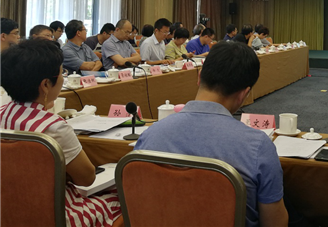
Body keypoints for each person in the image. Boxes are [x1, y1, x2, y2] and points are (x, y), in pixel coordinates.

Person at [134, 41, 288, 227]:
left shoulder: (150, 135)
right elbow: (274, 223)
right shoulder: (258, 146)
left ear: (199, 77)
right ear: (244, 94)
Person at [0, 39, 122, 226]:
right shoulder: (53, 127)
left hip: (8, 210)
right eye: (61, 72)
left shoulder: (3, 113)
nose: (63, 77)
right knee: (124, 198)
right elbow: (86, 178)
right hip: (53, 214)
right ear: (45, 85)